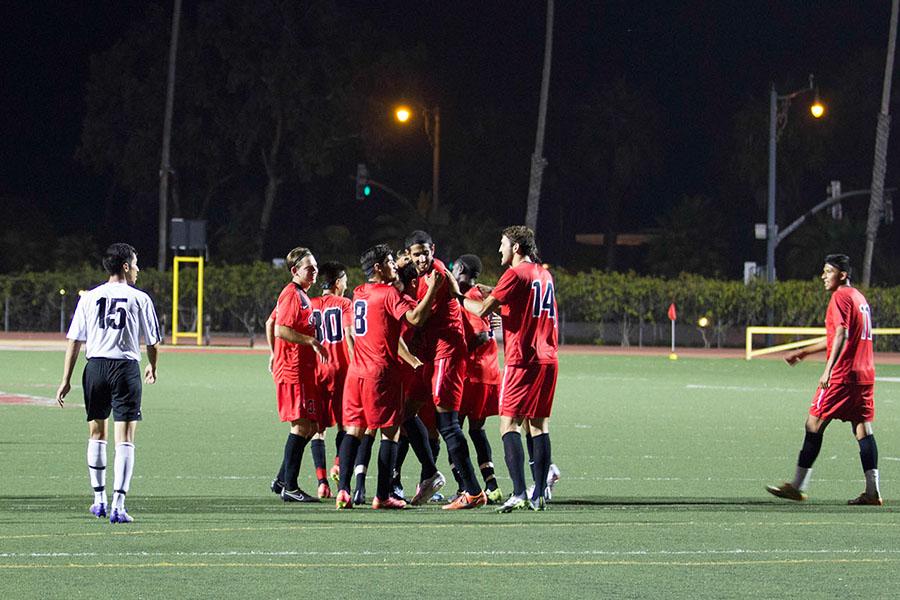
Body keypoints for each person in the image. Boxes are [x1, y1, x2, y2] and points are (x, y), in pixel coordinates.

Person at [454, 226, 558, 512]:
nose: (500, 249)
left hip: (522, 359)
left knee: (508, 424)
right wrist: (491, 291)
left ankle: (518, 492)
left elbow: (484, 309)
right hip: (548, 358)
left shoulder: (514, 274)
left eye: (503, 244)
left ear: (516, 247)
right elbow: (517, 302)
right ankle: (537, 494)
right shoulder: (543, 274)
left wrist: (458, 297)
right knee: (538, 425)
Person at [55, 243, 161, 524]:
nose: (138, 269)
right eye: (135, 264)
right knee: (125, 438)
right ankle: (119, 505)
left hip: (96, 368)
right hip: (125, 369)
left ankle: (99, 500)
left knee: (96, 433)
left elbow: (74, 340)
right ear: (125, 266)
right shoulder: (140, 298)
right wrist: (152, 365)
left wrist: (66, 379)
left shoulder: (90, 297)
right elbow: (152, 342)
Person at [767, 254, 882, 505]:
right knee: (862, 427)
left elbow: (841, 334)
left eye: (828, 271)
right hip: (864, 373)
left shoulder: (839, 296)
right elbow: (841, 336)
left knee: (813, 423)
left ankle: (797, 486)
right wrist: (806, 351)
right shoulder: (858, 297)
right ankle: (873, 491)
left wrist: (828, 370)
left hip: (843, 375)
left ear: (842, 274)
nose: (823, 276)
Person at [334, 244, 442, 509]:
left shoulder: (360, 292)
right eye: (391, 262)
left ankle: (344, 491)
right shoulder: (389, 294)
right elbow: (415, 318)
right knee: (390, 434)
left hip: (356, 373)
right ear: (379, 267)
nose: (396, 265)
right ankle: (383, 495)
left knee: (355, 430)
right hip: (380, 374)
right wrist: (434, 291)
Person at [406, 231, 486, 510]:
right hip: (429, 355)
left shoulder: (437, 272)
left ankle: (473, 491)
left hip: (447, 353)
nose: (421, 258)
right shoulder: (415, 272)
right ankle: (429, 473)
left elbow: (421, 316)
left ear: (433, 250)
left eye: (425, 252)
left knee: (448, 423)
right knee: (406, 410)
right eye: (416, 253)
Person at [269, 247, 328, 503]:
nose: (314, 271)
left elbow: (271, 322)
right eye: (309, 268)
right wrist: (310, 341)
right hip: (293, 370)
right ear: (295, 271)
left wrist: (273, 353)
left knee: (312, 425)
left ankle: (283, 479)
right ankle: (290, 487)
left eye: (315, 267)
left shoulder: (301, 295)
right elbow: (281, 329)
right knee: (302, 425)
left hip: (302, 370)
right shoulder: (291, 294)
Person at [451, 254, 503, 504]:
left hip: (471, 375)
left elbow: (481, 335)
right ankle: (491, 484)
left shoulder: (468, 298)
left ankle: (465, 488)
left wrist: (458, 346)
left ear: (460, 269)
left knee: (452, 429)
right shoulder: (483, 295)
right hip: (489, 373)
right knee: (476, 429)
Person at [308, 261, 355, 499]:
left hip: (317, 372)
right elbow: (348, 336)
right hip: (341, 371)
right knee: (345, 425)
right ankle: (338, 464)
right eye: (345, 280)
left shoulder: (311, 304)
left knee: (318, 430)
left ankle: (322, 482)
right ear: (337, 283)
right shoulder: (345, 304)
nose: (346, 284)